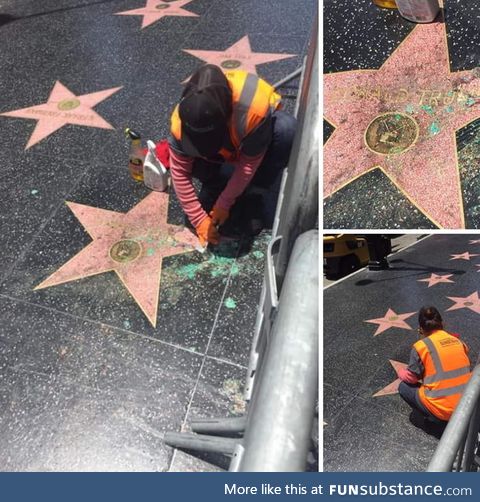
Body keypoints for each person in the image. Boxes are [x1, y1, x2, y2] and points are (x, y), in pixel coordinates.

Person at [168, 64, 297, 246]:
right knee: (193, 160)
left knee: (286, 131)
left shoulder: (253, 109)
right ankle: (214, 183)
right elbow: (179, 172)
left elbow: (248, 164)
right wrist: (199, 219)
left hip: (250, 142)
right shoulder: (183, 119)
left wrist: (224, 204)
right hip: (226, 147)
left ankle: (254, 193)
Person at [398, 306, 472, 434]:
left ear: (421, 329)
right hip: (467, 405)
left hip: (443, 410)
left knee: (403, 387)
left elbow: (412, 378)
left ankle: (436, 421)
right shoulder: (459, 342)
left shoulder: (421, 346)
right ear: (442, 324)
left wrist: (401, 372)